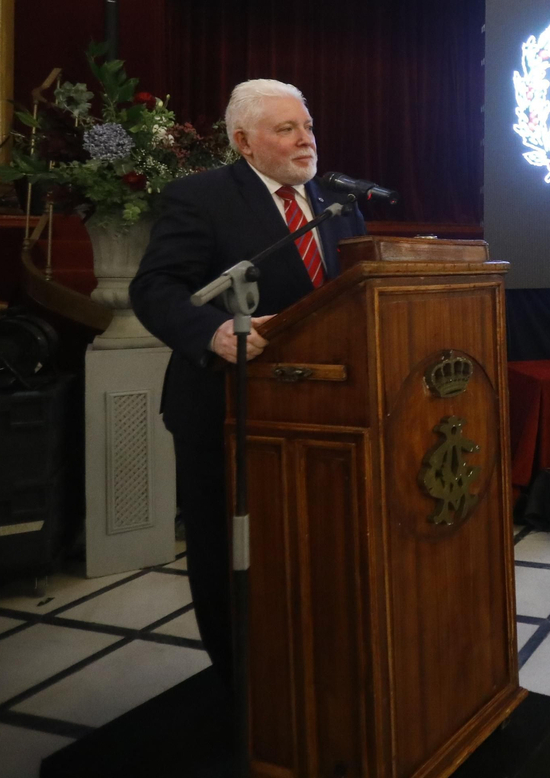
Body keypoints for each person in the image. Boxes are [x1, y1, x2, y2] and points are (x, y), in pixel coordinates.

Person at [131, 79, 368, 674]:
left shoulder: (339, 204)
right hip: (222, 405)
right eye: (286, 129)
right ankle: (236, 678)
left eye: (307, 126)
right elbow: (154, 289)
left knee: (306, 549)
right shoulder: (201, 197)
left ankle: (301, 669)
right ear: (244, 142)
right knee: (226, 553)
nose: (304, 140)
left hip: (316, 409)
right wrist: (212, 332)